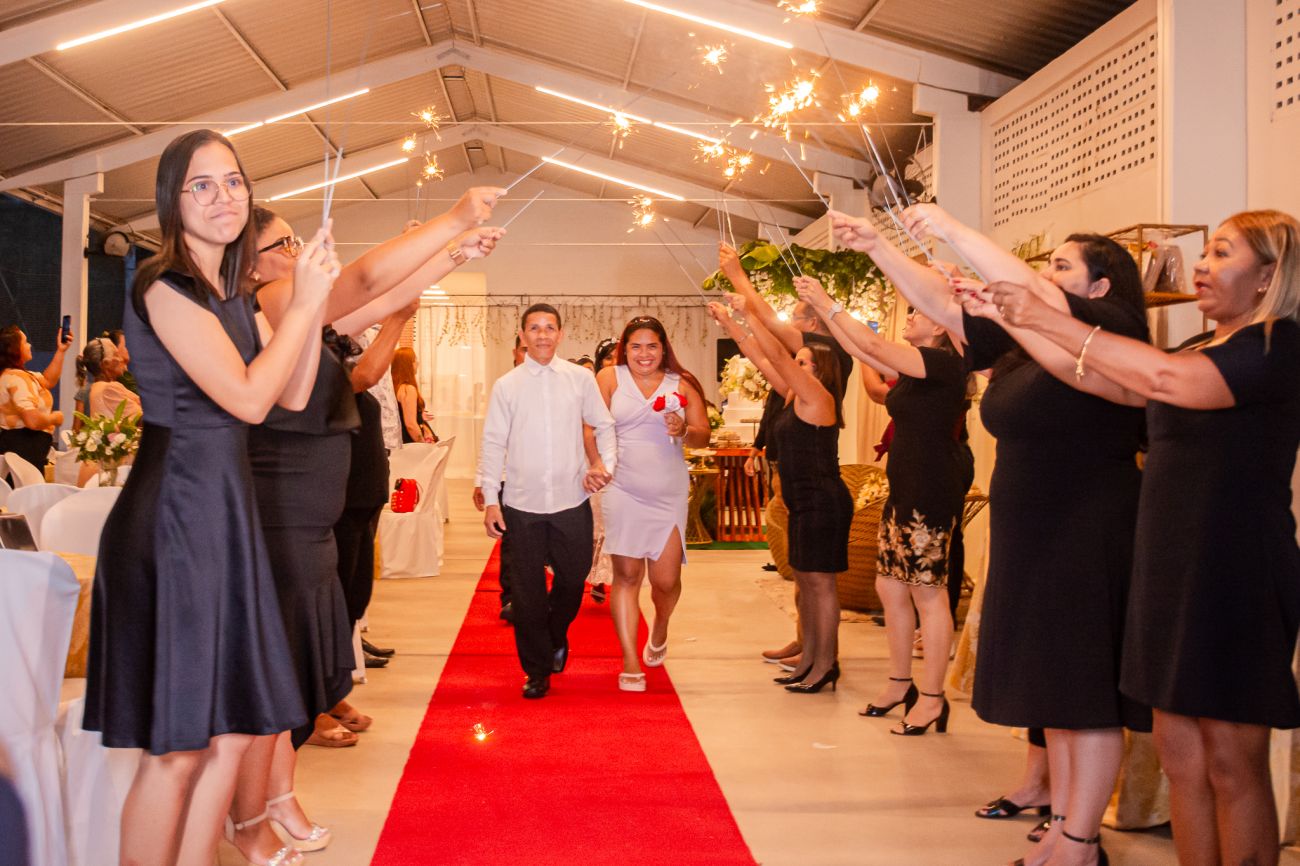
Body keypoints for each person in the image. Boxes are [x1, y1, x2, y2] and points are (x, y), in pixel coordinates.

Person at [964, 210, 1300, 866]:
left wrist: (1045, 316)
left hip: (1234, 569)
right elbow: (1102, 380)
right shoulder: (1199, 344)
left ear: (1268, 275)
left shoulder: (1276, 346)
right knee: (1181, 759)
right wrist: (1018, 319)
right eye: (1205, 253)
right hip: (1168, 565)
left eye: (1222, 254)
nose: (1201, 265)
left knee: (1231, 763)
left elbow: (1163, 381)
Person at [832, 205, 1151, 866]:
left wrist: (950, 229)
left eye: (1062, 266)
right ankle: (1063, 823)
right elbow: (943, 308)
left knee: (1084, 692)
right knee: (1055, 691)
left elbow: (1026, 293)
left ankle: (1082, 841)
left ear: (1100, 288)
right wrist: (879, 248)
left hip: (1087, 528)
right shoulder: (1029, 340)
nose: (1045, 275)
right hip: (1034, 531)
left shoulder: (1111, 330)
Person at [81, 128, 339, 866]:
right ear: (173, 199)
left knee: (229, 735)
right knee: (178, 749)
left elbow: (292, 392)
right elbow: (249, 400)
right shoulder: (163, 285)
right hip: (175, 522)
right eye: (202, 184)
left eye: (233, 181)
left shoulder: (232, 295)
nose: (223, 196)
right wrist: (304, 307)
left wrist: (312, 304)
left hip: (223, 518)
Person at [226, 196, 502, 864]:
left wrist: (451, 256)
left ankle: (278, 796)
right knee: (279, 672)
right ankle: (250, 814)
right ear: (250, 265)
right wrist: (454, 220)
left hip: (310, 516)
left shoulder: (301, 315)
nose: (299, 255)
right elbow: (368, 281)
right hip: (282, 513)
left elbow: (385, 300)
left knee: (297, 668)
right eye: (286, 246)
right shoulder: (269, 304)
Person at [797, 278, 970, 735]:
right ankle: (899, 683)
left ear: (940, 325)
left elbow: (872, 343)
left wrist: (827, 301)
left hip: (930, 490)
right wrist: (826, 315)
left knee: (928, 592)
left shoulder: (942, 363)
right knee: (890, 586)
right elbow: (863, 349)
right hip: (906, 487)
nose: (908, 316)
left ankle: (932, 698)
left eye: (917, 311)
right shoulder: (914, 366)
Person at [719, 243, 853, 673]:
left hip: (821, 500)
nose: (796, 362)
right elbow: (762, 357)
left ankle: (824, 664)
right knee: (806, 583)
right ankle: (810, 657)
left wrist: (747, 304)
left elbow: (776, 351)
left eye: (804, 360)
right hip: (801, 500)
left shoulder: (817, 395)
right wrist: (733, 322)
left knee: (820, 585)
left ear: (819, 368)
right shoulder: (794, 393)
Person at [479, 303, 616, 699]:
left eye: (549, 327)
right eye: (534, 328)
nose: (542, 334)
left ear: (560, 334)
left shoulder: (579, 379)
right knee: (527, 595)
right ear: (523, 335)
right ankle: (537, 670)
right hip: (521, 505)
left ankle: (556, 635)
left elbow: (604, 426)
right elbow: (493, 443)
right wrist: (491, 500)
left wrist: (605, 466)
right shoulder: (507, 386)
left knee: (573, 579)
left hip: (572, 500)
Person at [597, 316, 710, 691]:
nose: (643, 354)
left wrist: (684, 429)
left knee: (666, 580)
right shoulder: (610, 379)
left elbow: (703, 436)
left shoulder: (683, 383)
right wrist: (596, 464)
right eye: (636, 346)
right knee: (627, 576)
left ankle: (660, 625)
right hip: (622, 488)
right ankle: (630, 661)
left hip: (667, 492)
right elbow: (591, 426)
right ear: (624, 349)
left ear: (664, 349)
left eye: (651, 346)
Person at [473, 336, 528, 621]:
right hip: (508, 477)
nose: (529, 354)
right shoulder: (505, 387)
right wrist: (482, 480)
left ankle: (534, 597)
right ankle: (511, 598)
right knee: (511, 541)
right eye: (524, 349)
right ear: (515, 352)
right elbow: (491, 438)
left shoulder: (557, 384)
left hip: (542, 479)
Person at [0, 324, 72, 471]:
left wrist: (61, 350)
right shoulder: (17, 379)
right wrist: (54, 418)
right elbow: (32, 421)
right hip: (24, 450)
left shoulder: (16, 375)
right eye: (25, 342)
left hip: (23, 450)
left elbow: (48, 380)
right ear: (15, 350)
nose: (30, 345)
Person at [390, 347, 436, 443]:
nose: (417, 363)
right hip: (412, 442)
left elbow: (401, 415)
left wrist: (419, 416)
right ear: (407, 364)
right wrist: (423, 445)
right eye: (415, 360)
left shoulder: (394, 387)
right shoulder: (408, 389)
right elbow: (410, 425)